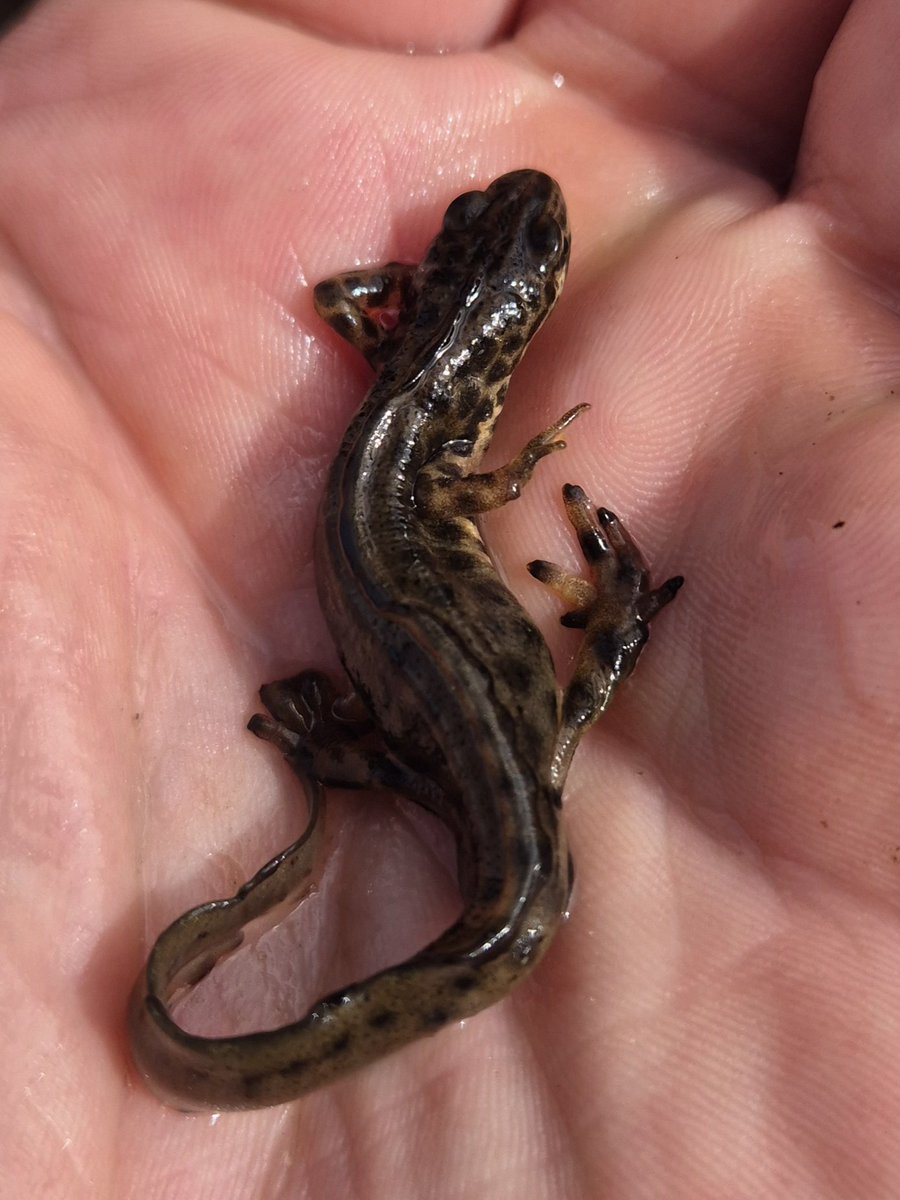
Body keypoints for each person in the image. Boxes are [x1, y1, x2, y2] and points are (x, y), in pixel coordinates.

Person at [1, 1, 897, 1195]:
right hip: (458, 711)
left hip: (446, 697)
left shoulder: (418, 432)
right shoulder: (433, 456)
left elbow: (337, 299)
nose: (512, 225)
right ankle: (574, 654)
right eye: (498, 246)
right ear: (514, 328)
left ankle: (432, 725)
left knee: (487, 754)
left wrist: (410, 307)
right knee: (507, 747)